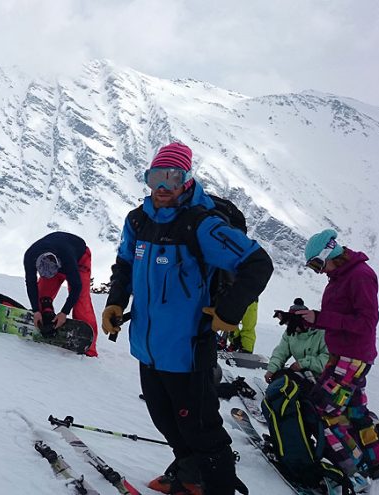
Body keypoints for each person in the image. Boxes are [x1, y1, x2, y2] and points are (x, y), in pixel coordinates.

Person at [101, 142, 273, 495]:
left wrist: (230, 311)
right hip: (148, 350)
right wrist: (115, 302)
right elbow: (125, 265)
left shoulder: (202, 226)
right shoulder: (138, 221)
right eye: (156, 177)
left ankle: (219, 487)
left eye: (172, 177)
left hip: (189, 350)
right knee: (166, 422)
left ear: (187, 179)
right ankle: (191, 476)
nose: (163, 186)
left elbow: (257, 264)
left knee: (202, 430)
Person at [296, 229, 379, 482]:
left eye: (317, 264)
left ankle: (354, 467)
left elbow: (366, 323)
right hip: (345, 354)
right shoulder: (340, 276)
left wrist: (321, 318)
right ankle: (376, 463)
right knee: (356, 412)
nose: (318, 271)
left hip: (351, 358)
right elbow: (343, 318)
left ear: (329, 252)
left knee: (324, 409)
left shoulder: (360, 276)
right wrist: (311, 320)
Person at [23, 232, 99, 357]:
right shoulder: (30, 256)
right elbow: (31, 283)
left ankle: (89, 349)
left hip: (79, 258)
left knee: (81, 302)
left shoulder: (67, 258)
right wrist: (36, 311)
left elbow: (77, 287)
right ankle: (47, 320)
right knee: (42, 295)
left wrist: (64, 312)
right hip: (55, 254)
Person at [264, 298, 329, 383]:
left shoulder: (322, 333)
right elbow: (281, 352)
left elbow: (328, 360)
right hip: (304, 375)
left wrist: (303, 364)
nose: (293, 328)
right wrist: (272, 369)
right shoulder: (291, 332)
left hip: (323, 379)